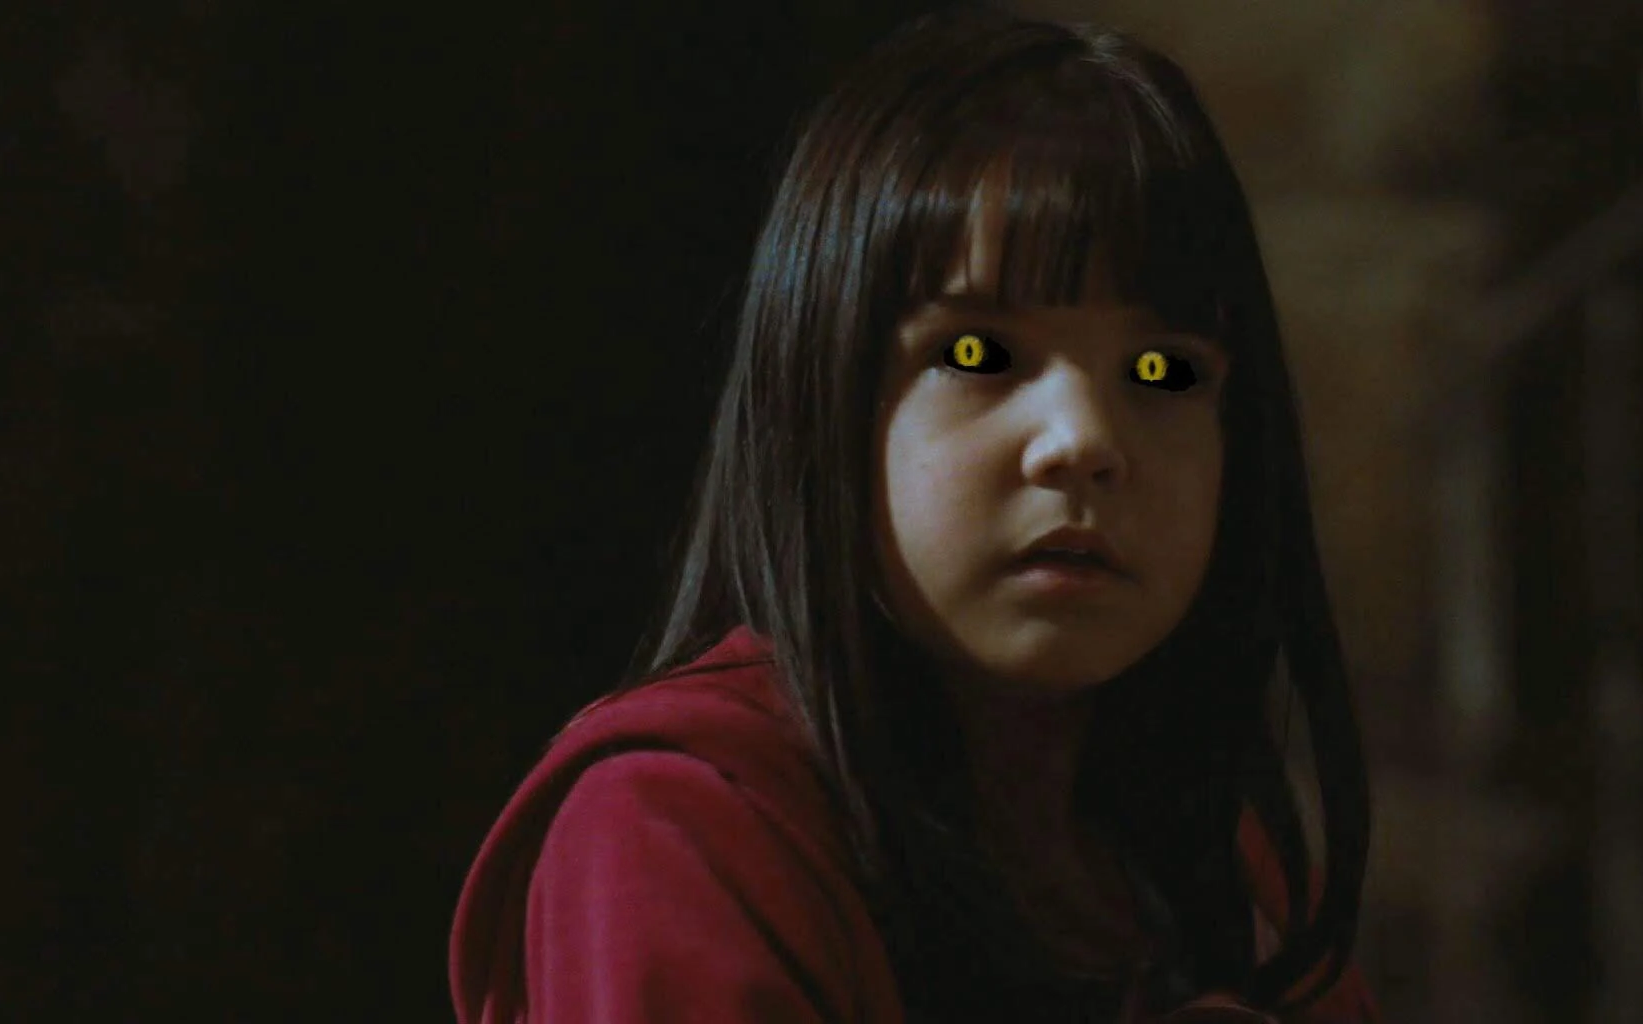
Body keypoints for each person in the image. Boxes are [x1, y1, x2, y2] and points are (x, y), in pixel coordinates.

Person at [450, 7, 1380, 1022]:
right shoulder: (682, 825)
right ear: (822, 401)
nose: (1081, 439)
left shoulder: (1216, 857)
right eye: (977, 354)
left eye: (1162, 370)